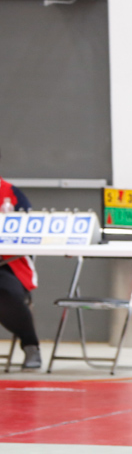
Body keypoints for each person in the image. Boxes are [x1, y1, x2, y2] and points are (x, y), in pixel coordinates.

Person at [0, 154, 42, 371]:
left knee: (5, 291)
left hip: (8, 263)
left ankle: (30, 345)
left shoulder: (11, 194)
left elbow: (29, 231)